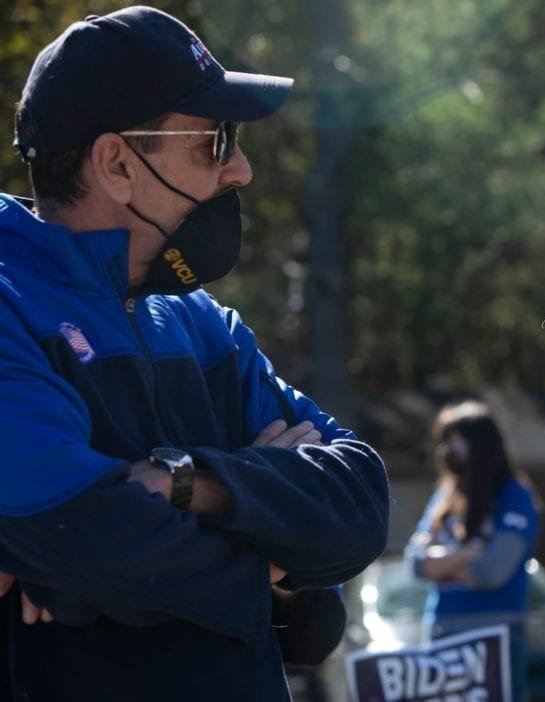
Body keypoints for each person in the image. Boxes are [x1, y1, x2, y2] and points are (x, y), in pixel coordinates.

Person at [0, 7, 389, 702]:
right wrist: (276, 560)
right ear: (116, 163)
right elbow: (88, 542)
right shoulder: (10, 305)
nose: (239, 168)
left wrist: (185, 482)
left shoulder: (197, 316)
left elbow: (359, 501)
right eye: (214, 141)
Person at [406, 400, 539, 702]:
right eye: (448, 442)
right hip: (441, 630)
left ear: (483, 445)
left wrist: (441, 562)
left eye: (459, 441)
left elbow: (493, 571)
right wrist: (468, 554)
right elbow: (414, 563)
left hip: (495, 632)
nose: (451, 451)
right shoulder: (445, 496)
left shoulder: (514, 495)